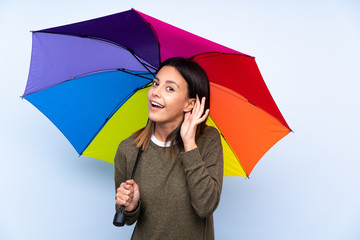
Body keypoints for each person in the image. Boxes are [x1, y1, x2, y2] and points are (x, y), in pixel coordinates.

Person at [114, 57, 223, 239]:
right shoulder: (128, 149)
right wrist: (131, 206)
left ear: (190, 104)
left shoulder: (208, 141)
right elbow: (125, 217)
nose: (156, 92)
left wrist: (189, 144)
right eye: (155, 83)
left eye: (169, 88)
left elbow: (205, 206)